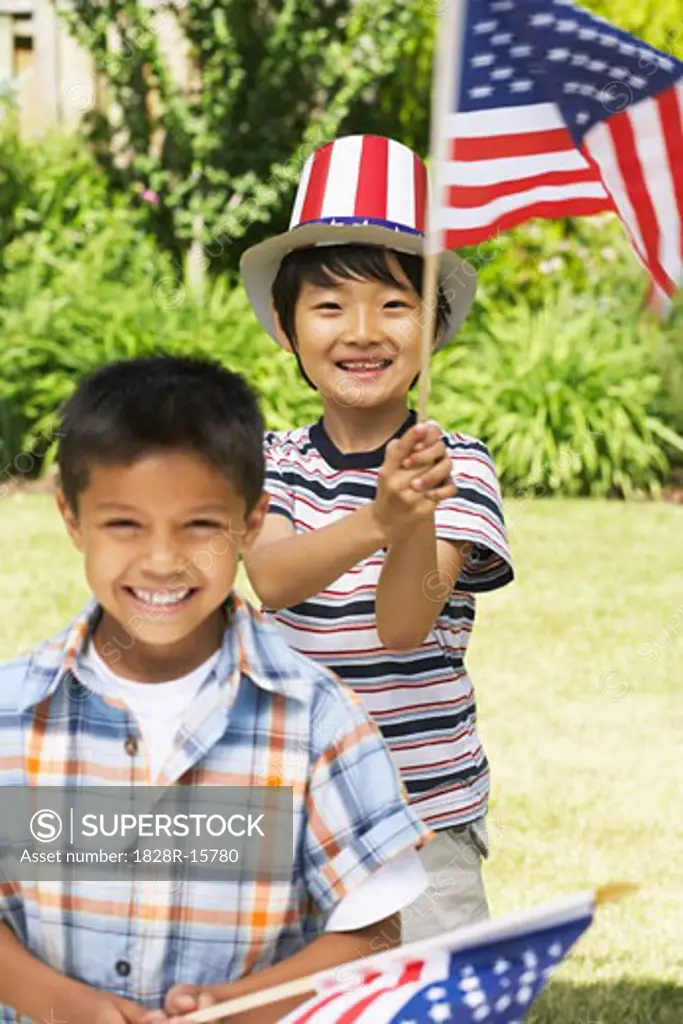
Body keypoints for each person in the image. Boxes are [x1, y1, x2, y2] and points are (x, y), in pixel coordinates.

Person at [0, 355, 433, 1024]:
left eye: (200, 525)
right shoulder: (10, 713)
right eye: (124, 525)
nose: (163, 560)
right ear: (71, 518)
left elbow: (374, 932)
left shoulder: (319, 721)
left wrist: (235, 1007)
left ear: (251, 523)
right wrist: (60, 1005)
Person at [241, 135, 515, 942]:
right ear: (288, 332)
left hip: (421, 813)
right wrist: (378, 518)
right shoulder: (270, 462)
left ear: (432, 331)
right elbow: (274, 579)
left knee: (423, 998)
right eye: (328, 307)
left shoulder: (458, 464)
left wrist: (415, 510)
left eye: (394, 304)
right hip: (291, 807)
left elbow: (403, 625)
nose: (362, 330)